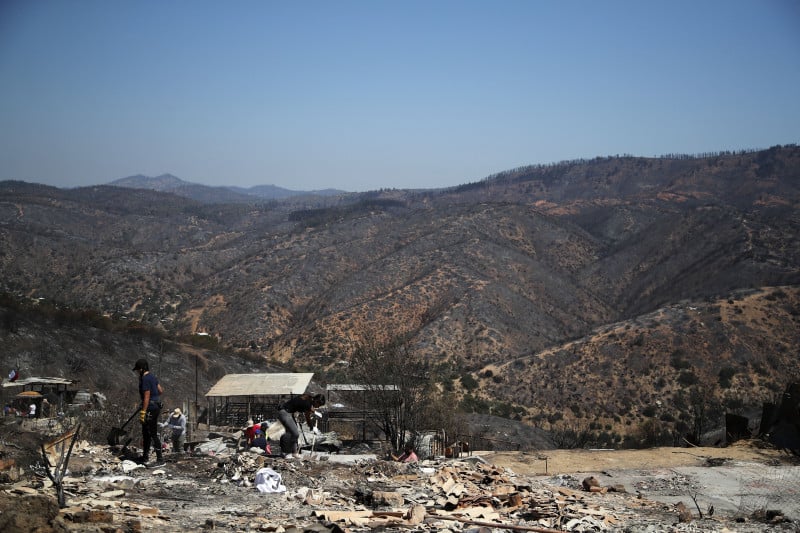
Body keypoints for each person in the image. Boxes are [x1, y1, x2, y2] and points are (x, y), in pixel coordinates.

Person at [133, 358, 164, 465]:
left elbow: (146, 396)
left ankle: (160, 459)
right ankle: (145, 457)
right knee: (146, 433)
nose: (137, 372)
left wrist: (143, 412)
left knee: (152, 433)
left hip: (150, 409)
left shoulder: (145, 379)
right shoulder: (153, 377)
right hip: (155, 406)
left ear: (141, 369)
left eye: (137, 370)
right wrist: (154, 399)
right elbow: (160, 390)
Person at [276, 393, 325, 458]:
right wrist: (312, 427)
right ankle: (293, 453)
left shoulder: (308, 398)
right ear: (316, 401)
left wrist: (315, 412)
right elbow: (307, 416)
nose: (318, 407)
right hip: (285, 413)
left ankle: (286, 452)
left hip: (286, 412)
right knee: (295, 433)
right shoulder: (308, 403)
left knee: (290, 432)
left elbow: (309, 409)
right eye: (319, 405)